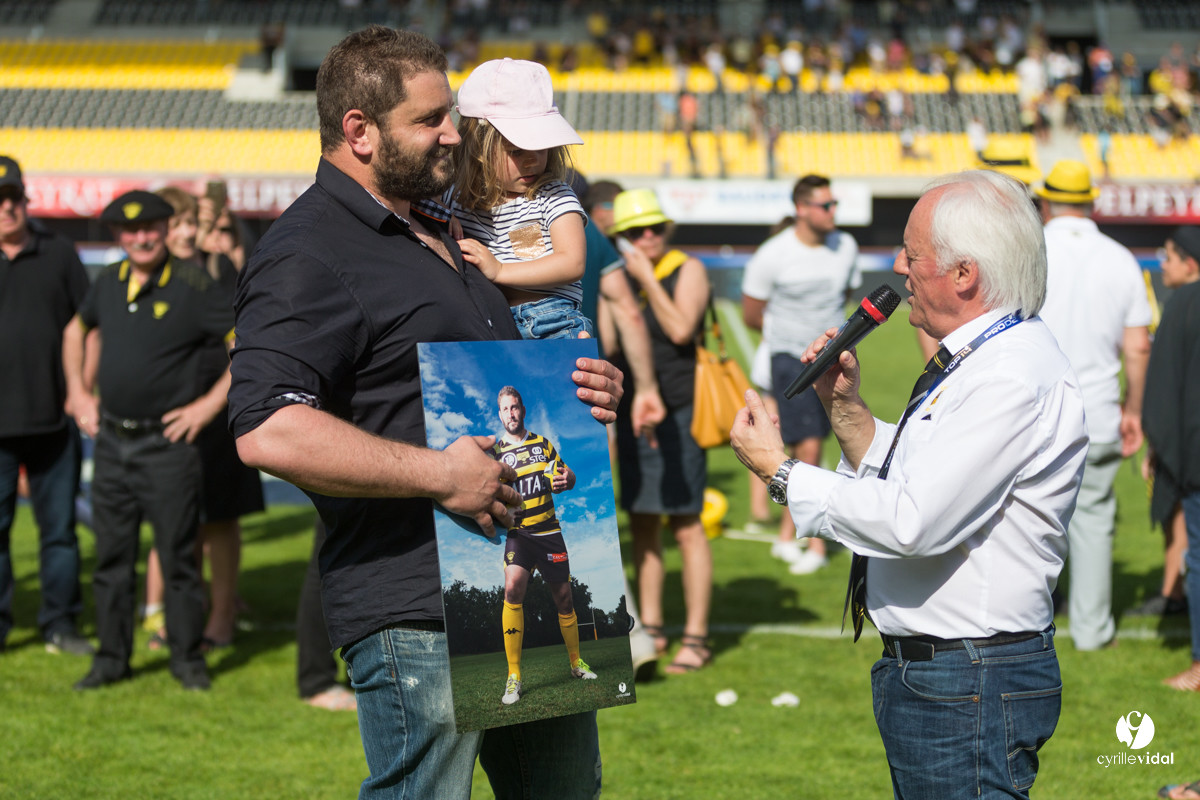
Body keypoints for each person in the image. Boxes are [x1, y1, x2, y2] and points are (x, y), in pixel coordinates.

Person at [225, 26, 623, 798]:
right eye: (433, 118)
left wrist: (581, 390)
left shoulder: (446, 226)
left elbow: (498, 384)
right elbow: (267, 427)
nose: (455, 132)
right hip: (416, 605)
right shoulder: (308, 250)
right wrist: (441, 474)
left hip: (532, 572)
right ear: (359, 131)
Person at [731, 169, 1088, 798]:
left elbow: (913, 518)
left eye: (913, 253)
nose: (899, 266)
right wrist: (845, 408)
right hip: (951, 673)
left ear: (964, 274)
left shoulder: (1008, 373)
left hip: (967, 675)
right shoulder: (985, 358)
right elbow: (921, 474)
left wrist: (779, 472)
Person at [63, 190, 236, 691]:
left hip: (167, 448)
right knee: (112, 561)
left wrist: (206, 407)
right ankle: (111, 659)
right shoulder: (109, 282)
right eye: (129, 231)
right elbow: (76, 329)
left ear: (164, 230)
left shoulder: (195, 284)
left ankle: (187, 660)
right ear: (118, 236)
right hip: (113, 444)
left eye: (150, 228)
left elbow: (242, 346)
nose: (140, 238)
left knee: (180, 559)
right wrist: (77, 391)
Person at [1035, 159, 1152, 651]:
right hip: (1098, 411)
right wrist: (1133, 409)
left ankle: (1024, 627)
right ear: (1091, 202)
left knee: (1025, 523)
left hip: (1032, 413)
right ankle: (1090, 631)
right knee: (1094, 524)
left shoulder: (1031, 251)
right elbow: (1138, 346)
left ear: (1045, 200)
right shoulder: (1121, 258)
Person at [609, 187, 714, 673]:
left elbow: (680, 330)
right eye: (635, 231)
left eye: (654, 227)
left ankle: (696, 637)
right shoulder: (619, 276)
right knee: (644, 524)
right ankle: (649, 630)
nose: (647, 237)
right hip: (635, 414)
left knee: (687, 525)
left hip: (681, 413)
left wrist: (647, 278)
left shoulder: (684, 269)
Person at [741, 174, 861, 574]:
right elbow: (752, 314)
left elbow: (845, 296)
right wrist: (790, 342)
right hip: (791, 359)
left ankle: (789, 536)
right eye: (825, 205)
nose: (832, 212)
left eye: (834, 204)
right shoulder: (774, 253)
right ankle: (814, 545)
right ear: (802, 209)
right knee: (807, 447)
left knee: (823, 444)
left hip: (833, 357)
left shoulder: (845, 246)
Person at [0, 154, 93, 656]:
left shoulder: (58, 254)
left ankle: (61, 623)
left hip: (53, 423)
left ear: (24, 198)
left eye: (11, 197)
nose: (5, 207)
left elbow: (86, 326)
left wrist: (80, 390)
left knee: (58, 532)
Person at [428, 57, 590, 340]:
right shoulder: (454, 196)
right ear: (476, 147)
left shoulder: (553, 196)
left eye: (542, 147)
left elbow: (572, 262)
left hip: (551, 321)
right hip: (487, 321)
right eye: (516, 151)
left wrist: (500, 270)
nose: (532, 160)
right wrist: (444, 215)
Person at [490, 386, 596, 705]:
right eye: (505, 409)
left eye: (515, 407)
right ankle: (514, 676)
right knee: (512, 589)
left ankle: (576, 663)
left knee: (564, 598)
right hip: (518, 534)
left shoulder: (542, 444)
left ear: (523, 409)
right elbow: (487, 493)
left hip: (549, 531)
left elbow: (566, 475)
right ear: (500, 414)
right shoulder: (495, 453)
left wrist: (570, 478)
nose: (511, 413)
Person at [1143, 227, 1200, 692]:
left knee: (1197, 556)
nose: (1164, 263)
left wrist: (1157, 448)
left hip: (1195, 459)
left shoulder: (1181, 305)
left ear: (1192, 264)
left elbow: (1162, 392)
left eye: (1170, 255)